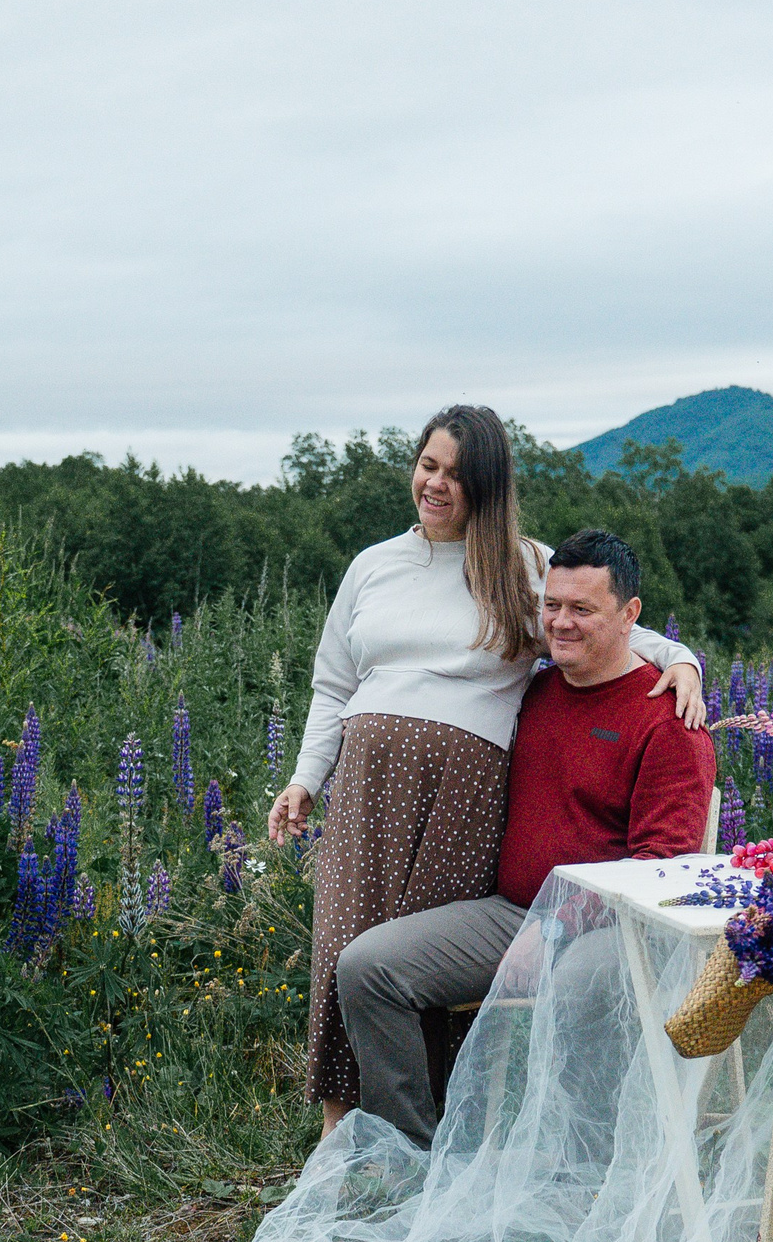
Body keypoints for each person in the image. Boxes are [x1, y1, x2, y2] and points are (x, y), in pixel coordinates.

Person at [268, 407, 704, 1136]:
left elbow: (600, 622)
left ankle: (451, 1140)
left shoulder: (522, 566)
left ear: (488, 488)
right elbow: (332, 684)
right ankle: (350, 1141)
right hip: (367, 790)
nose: (436, 484)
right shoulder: (373, 565)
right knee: (345, 953)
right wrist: (306, 777)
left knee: (418, 977)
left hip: (457, 802)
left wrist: (683, 660)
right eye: (428, 465)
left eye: (457, 475)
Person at [332, 529, 717, 1144]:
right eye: (553, 605)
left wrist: (559, 925)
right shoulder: (533, 691)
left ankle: (575, 1162)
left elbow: (660, 868)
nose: (561, 623)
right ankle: (411, 1160)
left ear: (630, 616)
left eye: (583, 610)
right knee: (367, 968)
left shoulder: (667, 719)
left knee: (570, 990)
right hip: (513, 915)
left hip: (618, 928)